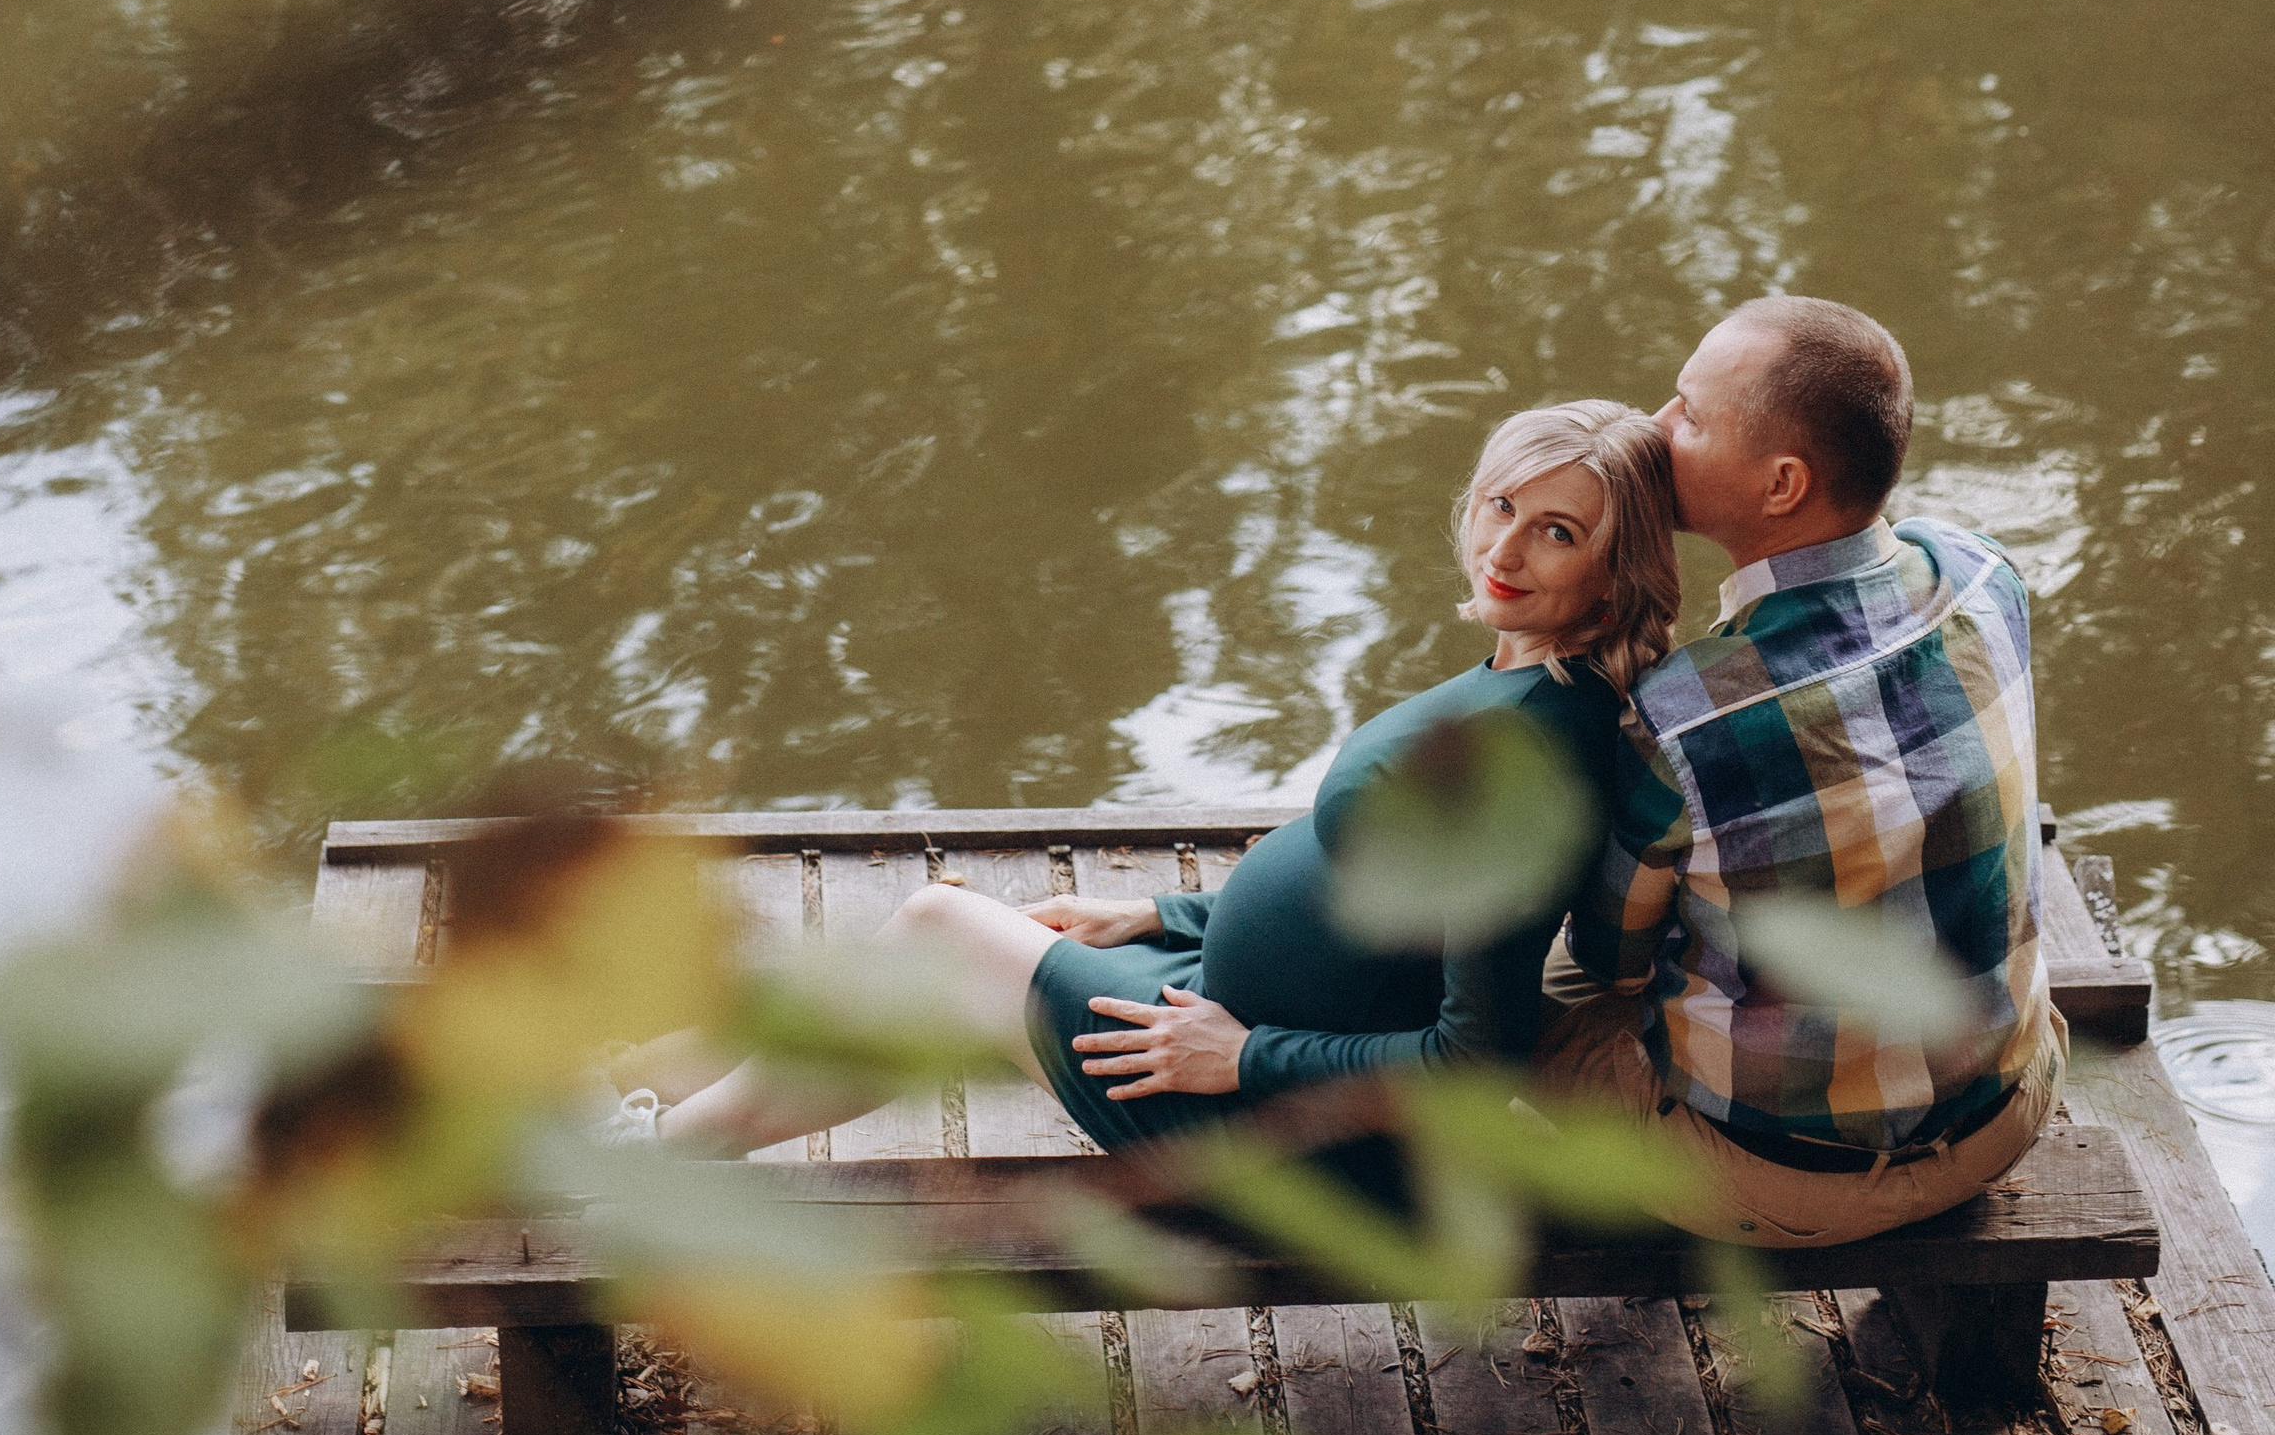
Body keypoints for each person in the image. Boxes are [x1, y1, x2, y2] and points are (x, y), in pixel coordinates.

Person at [643, 401, 1677, 1160]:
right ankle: (641, 1099)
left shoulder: (1529, 756)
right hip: (1221, 1027)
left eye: (1557, 533)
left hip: (1288, 1125)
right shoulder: (1528, 678)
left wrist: (1245, 1057)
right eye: (1501, 504)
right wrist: (1161, 912)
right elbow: (1366, 889)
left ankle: (639, 1169)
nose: (1504, 548)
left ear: (1615, 569)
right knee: (927, 975)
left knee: (935, 933)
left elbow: (1475, 1062)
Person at [1540, 294, 2062, 1244]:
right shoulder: (1986, 575)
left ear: (1782, 485)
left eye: (1689, 414)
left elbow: (1606, 960)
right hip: (2001, 1121)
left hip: (1776, 1181)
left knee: (1499, 1015)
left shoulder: (1686, 715)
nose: (1657, 429)